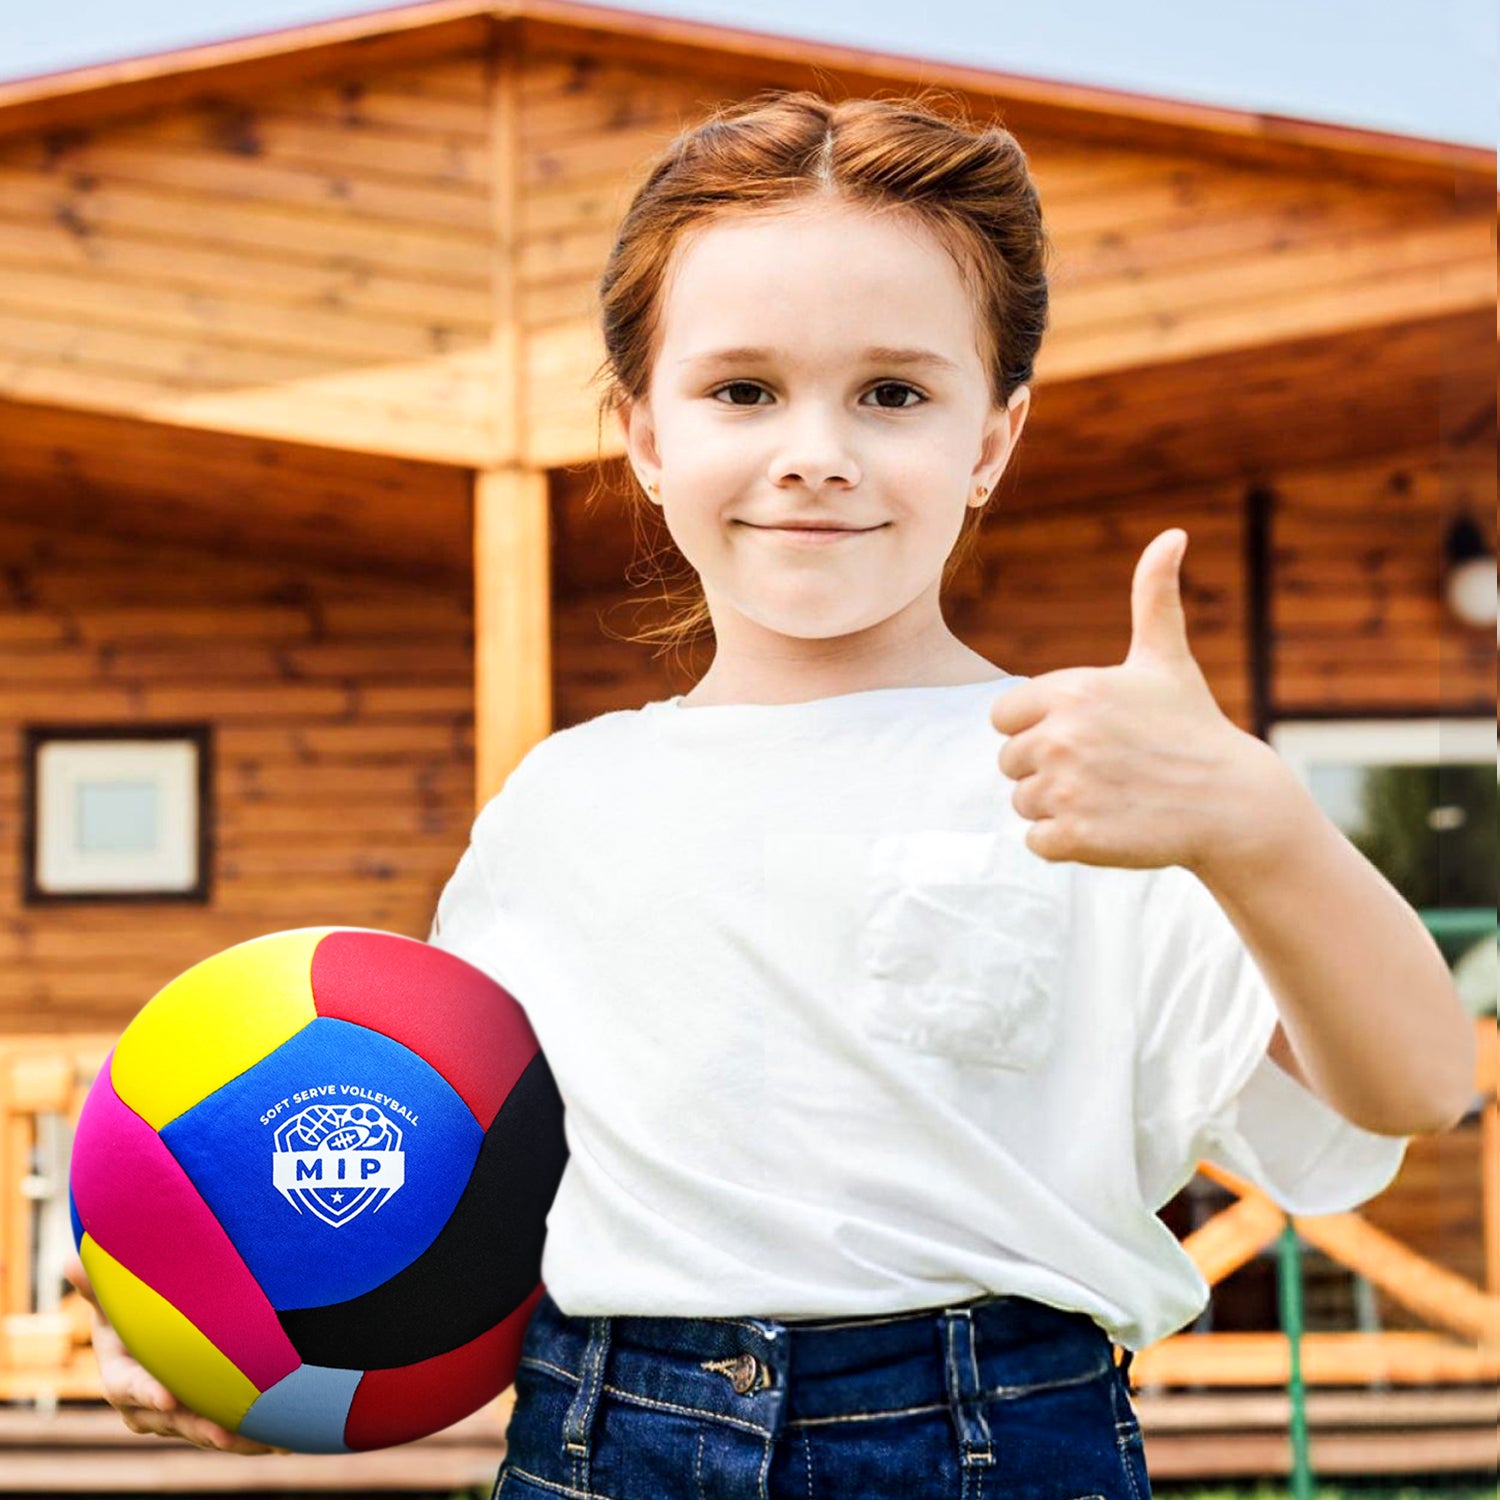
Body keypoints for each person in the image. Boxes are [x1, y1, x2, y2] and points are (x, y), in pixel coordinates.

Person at [69, 90, 1474, 1496]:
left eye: (895, 393)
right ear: (645, 436)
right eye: (744, 390)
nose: (816, 449)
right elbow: (470, 1208)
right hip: (598, 1441)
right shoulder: (559, 807)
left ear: (990, 440)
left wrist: (1264, 824)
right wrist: (256, 1354)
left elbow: (1414, 1083)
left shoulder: (1091, 770)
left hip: (989, 1445)